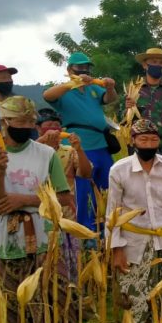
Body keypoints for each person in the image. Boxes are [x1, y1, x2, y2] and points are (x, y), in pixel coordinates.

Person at [0, 96, 73, 323]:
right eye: (19, 122)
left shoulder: (46, 154)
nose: (26, 127)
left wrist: (25, 200)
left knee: (54, 305)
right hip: (9, 240)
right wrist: (0, 172)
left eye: (29, 122)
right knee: (15, 309)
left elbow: (65, 198)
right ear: (5, 122)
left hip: (47, 241)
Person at [107, 118, 162, 323]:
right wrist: (117, 250)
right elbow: (113, 215)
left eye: (153, 140)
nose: (149, 145)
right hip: (133, 244)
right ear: (133, 141)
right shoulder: (119, 170)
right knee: (135, 301)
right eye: (143, 140)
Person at [43, 52, 117, 237]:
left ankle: (107, 226)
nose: (84, 71)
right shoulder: (64, 91)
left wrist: (109, 87)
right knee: (84, 187)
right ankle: (85, 229)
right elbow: (47, 95)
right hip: (79, 145)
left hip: (100, 143)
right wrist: (73, 83)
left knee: (107, 185)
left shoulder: (93, 89)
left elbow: (110, 99)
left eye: (87, 67)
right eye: (79, 67)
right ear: (69, 70)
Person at [35, 108, 92, 282]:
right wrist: (45, 145)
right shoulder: (33, 149)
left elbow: (86, 173)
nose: (54, 130)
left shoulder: (69, 151)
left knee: (69, 257)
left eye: (57, 126)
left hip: (67, 213)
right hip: (40, 213)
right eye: (49, 126)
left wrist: (79, 149)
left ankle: (71, 288)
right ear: (39, 129)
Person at [124, 47, 162, 160]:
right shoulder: (133, 90)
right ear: (145, 65)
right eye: (154, 62)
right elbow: (122, 120)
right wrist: (127, 109)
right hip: (139, 146)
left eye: (161, 63)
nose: (158, 65)